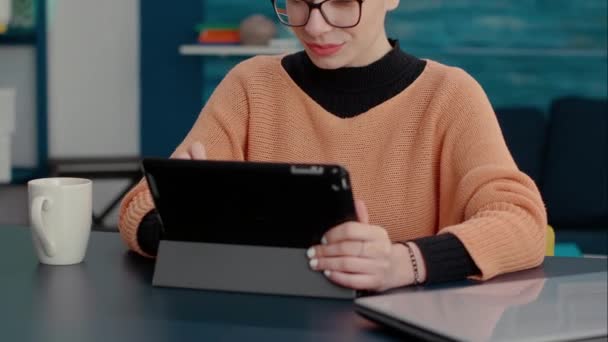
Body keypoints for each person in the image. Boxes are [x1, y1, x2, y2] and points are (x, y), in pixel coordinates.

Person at [119, 0, 547, 292]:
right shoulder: (250, 85)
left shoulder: (450, 95)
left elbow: (521, 222)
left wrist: (406, 262)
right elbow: (139, 207)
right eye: (299, 1)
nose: (314, 25)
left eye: (342, 2)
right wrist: (184, 224)